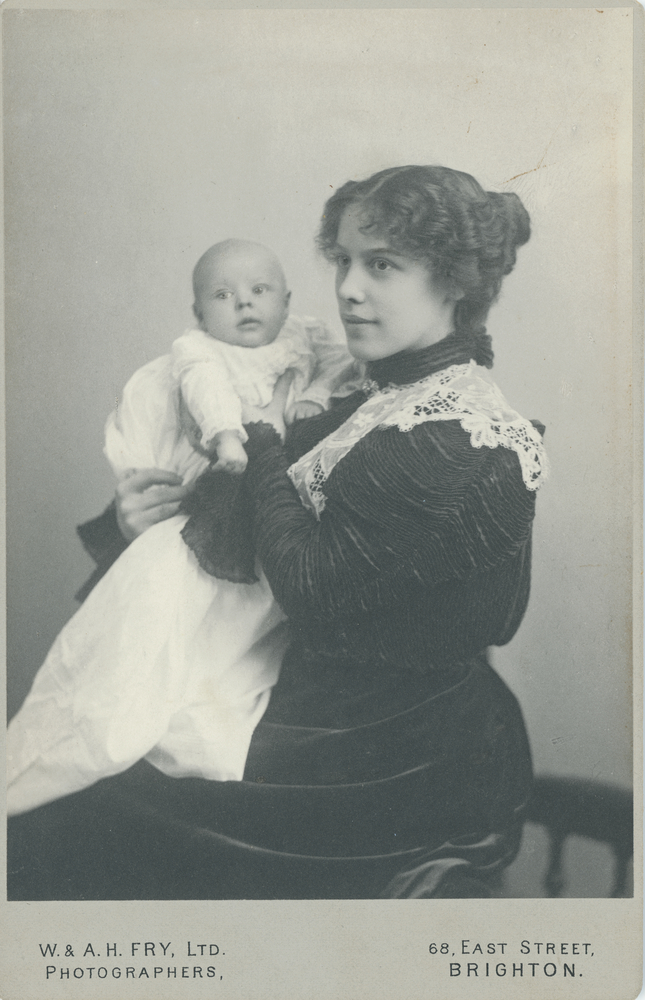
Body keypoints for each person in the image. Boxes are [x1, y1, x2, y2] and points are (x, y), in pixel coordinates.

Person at [8, 165, 548, 900]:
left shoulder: (456, 433)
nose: (349, 288)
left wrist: (258, 447)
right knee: (77, 778)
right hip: (309, 701)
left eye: (381, 264)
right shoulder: (370, 392)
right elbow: (241, 520)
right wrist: (131, 525)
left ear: (454, 279)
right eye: (344, 262)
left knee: (91, 801)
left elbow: (308, 582)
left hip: (387, 750)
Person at [6, 239, 357, 817]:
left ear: (288, 302)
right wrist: (135, 516)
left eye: (259, 292)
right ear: (198, 314)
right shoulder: (194, 362)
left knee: (205, 693)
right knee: (131, 654)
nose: (243, 305)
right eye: (223, 296)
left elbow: (336, 370)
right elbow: (175, 456)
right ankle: (38, 771)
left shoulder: (316, 356)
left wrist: (315, 398)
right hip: (205, 529)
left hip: (278, 582)